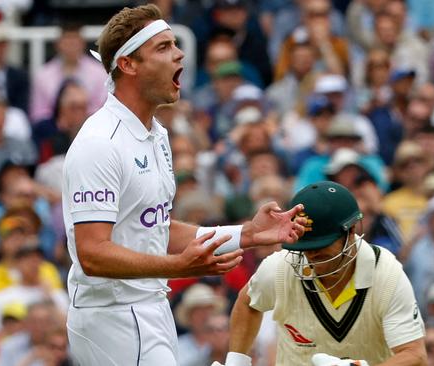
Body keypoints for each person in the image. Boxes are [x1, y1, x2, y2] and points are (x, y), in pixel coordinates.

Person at [61, 5, 306, 366]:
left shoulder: (157, 134)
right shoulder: (100, 142)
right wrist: (177, 266)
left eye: (175, 44)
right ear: (128, 64)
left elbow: (156, 228)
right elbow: (93, 253)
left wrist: (247, 234)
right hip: (112, 317)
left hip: (148, 307)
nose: (179, 54)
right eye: (162, 47)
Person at [217, 181, 426, 366]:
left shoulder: (385, 273)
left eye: (322, 244)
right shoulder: (282, 267)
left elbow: (415, 356)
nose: (311, 254)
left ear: (350, 231)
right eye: (305, 246)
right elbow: (248, 301)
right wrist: (236, 361)